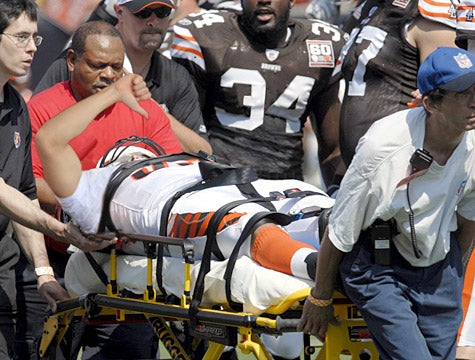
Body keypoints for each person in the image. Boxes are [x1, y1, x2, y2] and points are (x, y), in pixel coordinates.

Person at [15, 20, 182, 360]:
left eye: (116, 67)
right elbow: (29, 183)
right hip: (57, 256)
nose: (108, 75)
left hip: (125, 265)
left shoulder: (143, 108)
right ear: (72, 60)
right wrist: (86, 206)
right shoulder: (44, 108)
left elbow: (173, 171)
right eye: (97, 65)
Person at [298, 46, 475, 360]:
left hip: (438, 266)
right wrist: (321, 297)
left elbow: (470, 218)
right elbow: (340, 230)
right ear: (431, 103)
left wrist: (452, 277)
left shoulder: (472, 142)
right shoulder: (384, 147)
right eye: (464, 93)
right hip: (377, 264)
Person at [0, 1, 115, 358]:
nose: (33, 46)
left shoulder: (17, 105)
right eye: (21, 37)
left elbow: (24, 191)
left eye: (35, 37)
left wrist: (44, 271)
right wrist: (63, 231)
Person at [170, 0, 346, 187]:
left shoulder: (322, 44)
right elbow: (187, 132)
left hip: (288, 188)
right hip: (219, 184)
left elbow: (332, 148)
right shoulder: (207, 36)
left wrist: (336, 196)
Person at [34, 0, 212, 155]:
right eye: (143, 13)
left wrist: (148, 106)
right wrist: (114, 94)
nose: (153, 22)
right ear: (119, 12)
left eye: (162, 12)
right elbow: (34, 129)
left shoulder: (176, 76)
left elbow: (202, 152)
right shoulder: (77, 62)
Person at [337, 0, 457, 167]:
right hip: (360, 167)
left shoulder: (429, 9)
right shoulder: (370, 7)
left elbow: (450, 108)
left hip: (403, 169)